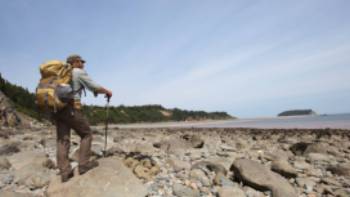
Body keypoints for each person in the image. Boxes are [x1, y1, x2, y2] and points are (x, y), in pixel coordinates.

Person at [53, 54, 112, 182]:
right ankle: (84, 165)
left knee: (62, 139)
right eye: (81, 62)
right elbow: (94, 86)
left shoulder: (59, 75)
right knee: (87, 134)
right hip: (72, 109)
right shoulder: (77, 72)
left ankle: (64, 171)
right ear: (75, 62)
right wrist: (107, 91)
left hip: (58, 110)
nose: (83, 64)